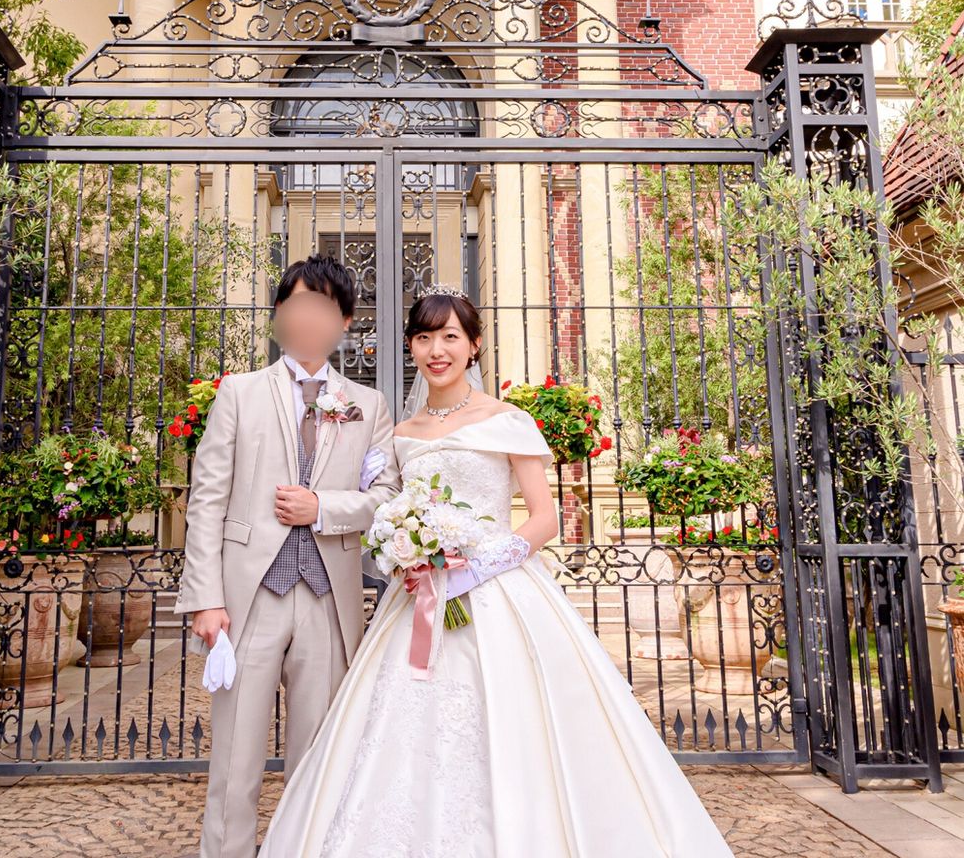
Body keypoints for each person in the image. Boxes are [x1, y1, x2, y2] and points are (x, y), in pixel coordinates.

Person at [259, 285, 734, 857]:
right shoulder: (401, 435)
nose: (437, 350)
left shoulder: (508, 420)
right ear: (411, 347)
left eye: (450, 337)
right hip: (419, 596)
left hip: (500, 593)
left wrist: (476, 568)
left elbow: (544, 519)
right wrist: (406, 549)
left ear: (475, 345)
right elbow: (387, 506)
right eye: (424, 337)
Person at [172, 255, 401, 858]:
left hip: (327, 599)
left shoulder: (368, 405)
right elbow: (207, 500)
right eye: (296, 304)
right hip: (249, 600)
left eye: (322, 306)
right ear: (279, 314)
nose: (307, 317)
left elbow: (386, 497)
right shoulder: (239, 393)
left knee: (316, 760)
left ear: (344, 321)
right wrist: (206, 599)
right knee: (234, 759)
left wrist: (323, 507)